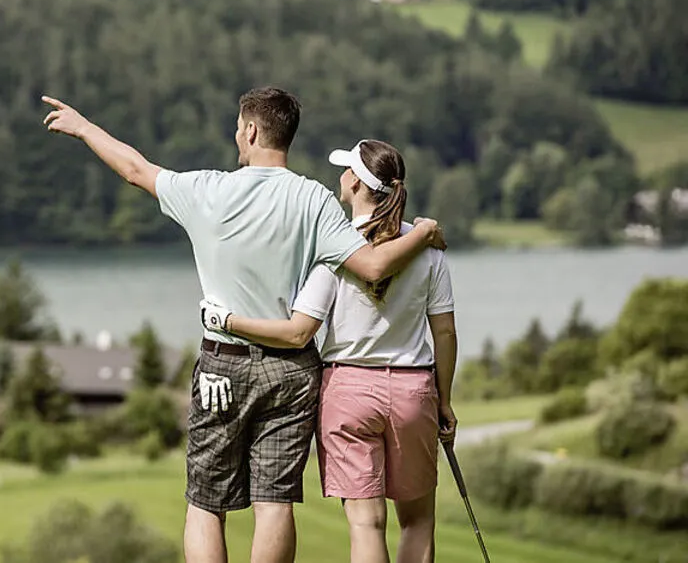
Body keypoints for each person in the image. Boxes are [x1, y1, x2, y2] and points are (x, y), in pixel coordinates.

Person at [40, 89, 446, 563]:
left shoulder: (207, 190)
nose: (237, 134)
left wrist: (85, 128)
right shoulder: (315, 200)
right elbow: (374, 267)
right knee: (274, 503)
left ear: (251, 131)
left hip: (223, 366)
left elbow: (135, 169)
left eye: (238, 126)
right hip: (293, 372)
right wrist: (422, 233)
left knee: (206, 504)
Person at [199, 138, 459, 563]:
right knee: (417, 522)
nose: (340, 176)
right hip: (414, 392)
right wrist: (444, 401)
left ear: (355, 182)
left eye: (345, 170)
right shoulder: (429, 249)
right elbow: (444, 332)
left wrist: (225, 321)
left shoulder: (331, 249)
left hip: (348, 393)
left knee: (365, 525)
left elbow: (298, 331)